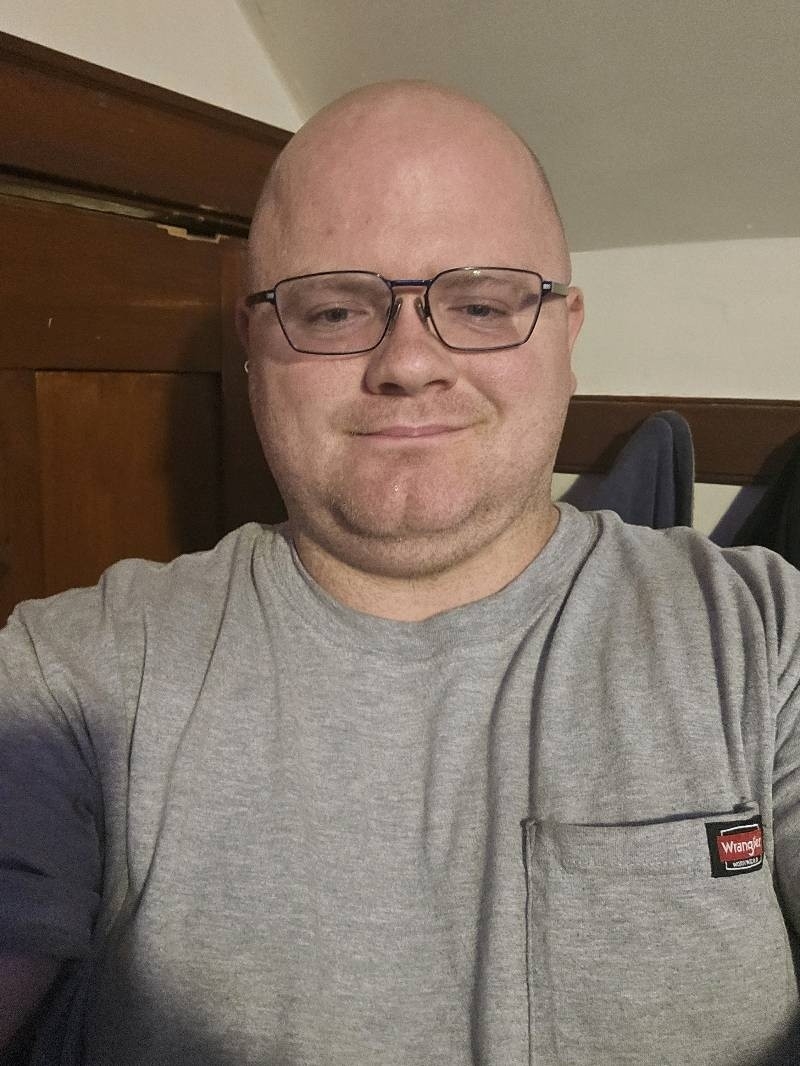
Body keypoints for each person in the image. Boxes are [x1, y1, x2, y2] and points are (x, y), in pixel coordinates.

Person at [1, 81, 799, 1066]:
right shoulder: (68, 677)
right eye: (336, 310)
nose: (409, 362)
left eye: (480, 304)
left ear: (565, 334)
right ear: (254, 348)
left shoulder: (763, 638)